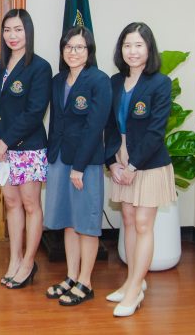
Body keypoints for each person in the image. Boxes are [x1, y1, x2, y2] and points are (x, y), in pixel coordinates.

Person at [104, 22, 176, 317]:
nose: (132, 51)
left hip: (148, 163)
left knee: (144, 224)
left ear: (149, 49)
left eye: (138, 45)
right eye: (127, 45)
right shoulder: (114, 82)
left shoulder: (160, 83)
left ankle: (134, 290)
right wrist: (112, 162)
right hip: (120, 162)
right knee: (129, 221)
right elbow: (108, 126)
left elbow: (156, 131)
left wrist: (133, 165)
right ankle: (133, 281)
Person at [43, 26, 111, 306]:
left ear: (89, 51)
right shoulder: (58, 80)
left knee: (86, 224)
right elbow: (55, 122)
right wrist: (50, 158)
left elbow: (95, 127)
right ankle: (71, 277)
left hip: (85, 163)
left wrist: (79, 167)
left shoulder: (99, 80)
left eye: (80, 47)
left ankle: (86, 281)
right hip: (60, 159)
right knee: (68, 222)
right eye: (68, 46)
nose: (73, 52)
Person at [0, 9, 52, 289]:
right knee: (11, 204)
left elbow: (35, 112)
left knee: (30, 204)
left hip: (28, 148)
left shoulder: (39, 67)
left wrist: (5, 141)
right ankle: (14, 259)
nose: (12, 35)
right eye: (7, 30)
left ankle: (28, 262)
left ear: (28, 32)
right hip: (2, 150)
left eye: (18, 29)